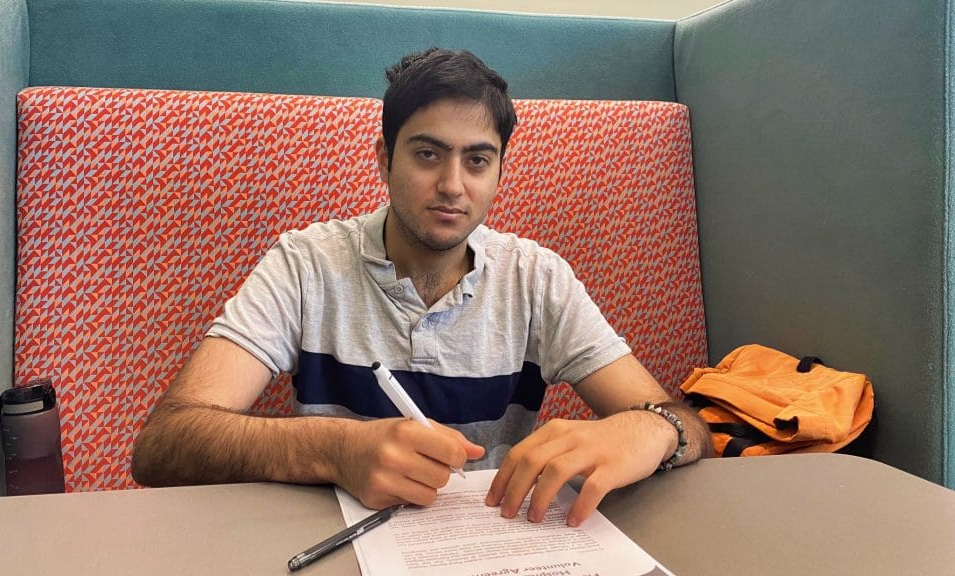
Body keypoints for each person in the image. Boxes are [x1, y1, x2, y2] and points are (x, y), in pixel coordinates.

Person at [131, 47, 712, 528]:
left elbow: (688, 426)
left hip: (500, 544)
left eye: (477, 161)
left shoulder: (537, 278)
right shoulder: (306, 264)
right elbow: (165, 444)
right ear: (384, 159)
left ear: (500, 171)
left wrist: (651, 429)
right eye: (428, 154)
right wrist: (336, 450)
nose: (453, 186)